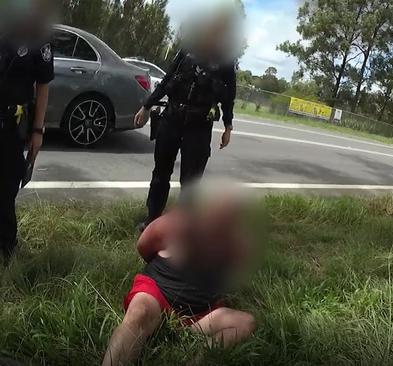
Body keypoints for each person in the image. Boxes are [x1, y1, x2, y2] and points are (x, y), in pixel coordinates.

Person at [102, 188, 257, 366]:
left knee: (246, 323)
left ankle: (195, 360)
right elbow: (144, 248)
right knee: (139, 313)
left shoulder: (237, 245)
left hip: (200, 314)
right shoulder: (172, 224)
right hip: (157, 294)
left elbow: (230, 276)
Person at [134, 7, 240, 231]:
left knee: (190, 183)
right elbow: (168, 79)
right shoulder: (188, 49)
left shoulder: (226, 61)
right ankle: (152, 220)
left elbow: (229, 96)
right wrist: (147, 105)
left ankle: (178, 229)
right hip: (171, 119)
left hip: (199, 127)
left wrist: (228, 126)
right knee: (160, 174)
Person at [0, 0, 54, 261]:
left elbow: (43, 85)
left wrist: (38, 131)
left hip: (11, 126)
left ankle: (8, 249)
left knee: (7, 189)